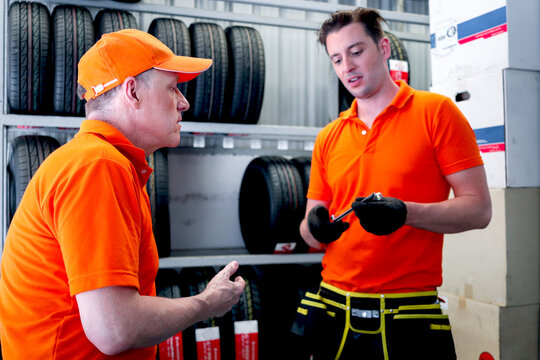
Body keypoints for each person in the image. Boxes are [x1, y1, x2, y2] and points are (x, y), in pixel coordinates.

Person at [0, 29, 245, 359]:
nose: (184, 102)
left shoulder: (111, 163)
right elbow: (114, 329)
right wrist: (206, 304)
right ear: (133, 92)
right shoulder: (97, 167)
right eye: (173, 88)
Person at [293, 8, 492, 360]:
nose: (347, 67)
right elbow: (309, 230)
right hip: (331, 308)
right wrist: (315, 229)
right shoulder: (329, 136)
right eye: (336, 59)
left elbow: (478, 209)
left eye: (356, 52)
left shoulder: (436, 113)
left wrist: (405, 213)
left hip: (408, 316)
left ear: (384, 48)